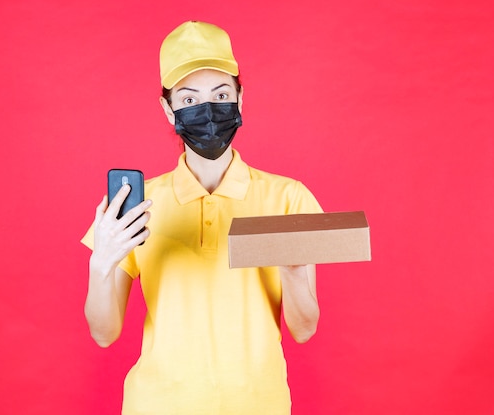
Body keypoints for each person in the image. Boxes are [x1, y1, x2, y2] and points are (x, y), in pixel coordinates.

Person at [82, 20, 323, 415]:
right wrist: (101, 264)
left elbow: (305, 328)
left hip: (259, 405)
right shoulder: (139, 207)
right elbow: (104, 333)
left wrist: (293, 270)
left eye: (221, 94)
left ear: (240, 100)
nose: (208, 110)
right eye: (189, 99)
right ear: (168, 108)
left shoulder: (288, 198)